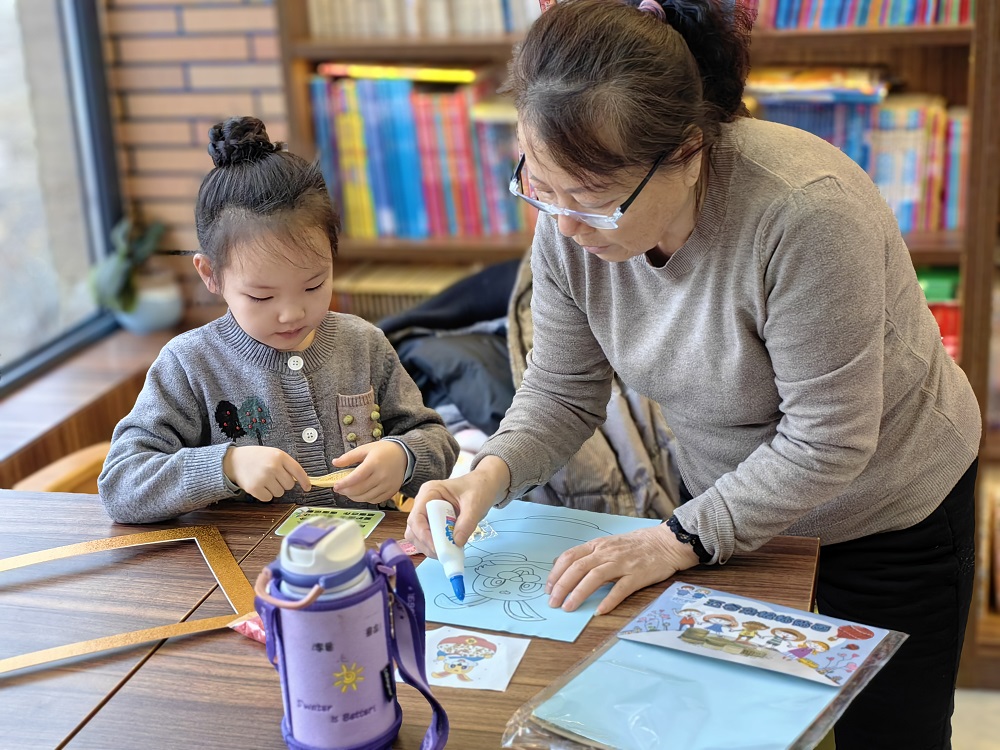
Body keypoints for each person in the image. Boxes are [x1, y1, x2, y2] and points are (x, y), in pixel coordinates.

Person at [404, 2, 980, 748]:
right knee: (727, 729)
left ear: (686, 151)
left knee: (890, 737)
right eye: (538, 185)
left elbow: (829, 440)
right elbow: (561, 391)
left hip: (887, 513)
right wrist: (486, 477)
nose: (564, 226)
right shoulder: (567, 225)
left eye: (592, 201)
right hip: (726, 514)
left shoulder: (804, 213)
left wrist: (675, 540)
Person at [100, 116, 458, 524]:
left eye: (314, 285)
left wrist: (403, 457)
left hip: (366, 553)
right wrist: (227, 465)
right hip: (247, 560)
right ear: (210, 274)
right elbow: (120, 485)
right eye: (261, 296)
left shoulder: (363, 343)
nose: (292, 313)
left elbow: (439, 442)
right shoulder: (190, 363)